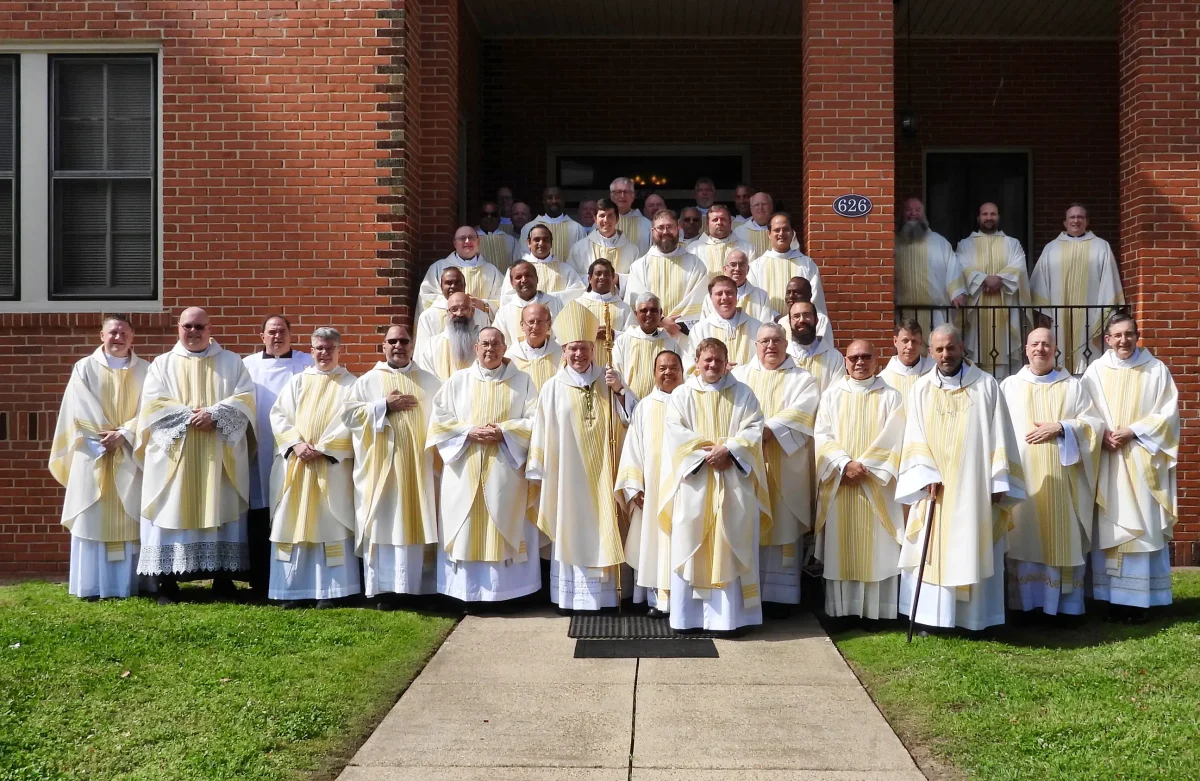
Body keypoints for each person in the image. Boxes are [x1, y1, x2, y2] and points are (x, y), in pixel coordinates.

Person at [896, 324, 1025, 632]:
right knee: (933, 547)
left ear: (962, 348)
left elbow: (1001, 435)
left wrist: (997, 482)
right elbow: (914, 436)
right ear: (930, 352)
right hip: (935, 489)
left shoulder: (986, 386)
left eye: (951, 348)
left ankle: (976, 619)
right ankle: (933, 619)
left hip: (974, 487)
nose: (946, 354)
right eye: (939, 349)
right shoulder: (921, 389)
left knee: (976, 543)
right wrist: (924, 474)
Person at [136, 308, 257, 603]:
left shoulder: (232, 362)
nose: (194, 332)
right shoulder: (162, 364)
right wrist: (188, 417)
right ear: (178, 328)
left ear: (210, 328)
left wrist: (215, 414)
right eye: (188, 326)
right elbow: (152, 403)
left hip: (219, 455)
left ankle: (222, 578)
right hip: (176, 457)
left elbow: (245, 398)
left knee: (222, 506)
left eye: (200, 326)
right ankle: (166, 580)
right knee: (172, 508)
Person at [528, 303, 636, 611]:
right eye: (573, 348)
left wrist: (621, 392)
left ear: (593, 349)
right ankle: (570, 597)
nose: (579, 354)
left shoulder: (609, 379)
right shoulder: (552, 388)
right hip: (567, 477)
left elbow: (633, 420)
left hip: (605, 472)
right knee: (570, 524)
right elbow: (542, 431)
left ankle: (609, 596)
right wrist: (539, 469)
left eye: (585, 348)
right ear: (563, 351)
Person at [428, 327, 542, 605]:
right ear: (476, 348)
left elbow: (536, 421)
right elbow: (438, 420)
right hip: (464, 469)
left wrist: (504, 431)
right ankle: (465, 593)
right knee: (465, 526)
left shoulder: (523, 381)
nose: (490, 349)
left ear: (505, 348)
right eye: (485, 344)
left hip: (505, 472)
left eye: (496, 344)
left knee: (504, 522)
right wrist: (468, 432)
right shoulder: (458, 381)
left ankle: (507, 594)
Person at [660, 338, 766, 633]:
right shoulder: (682, 394)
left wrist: (729, 450)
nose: (713, 365)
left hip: (733, 482)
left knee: (732, 541)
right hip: (695, 483)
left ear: (726, 362)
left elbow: (754, 427)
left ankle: (729, 620)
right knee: (690, 541)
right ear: (697, 361)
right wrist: (707, 454)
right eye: (707, 360)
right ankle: (688, 618)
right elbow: (675, 431)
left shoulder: (743, 393)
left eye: (718, 360)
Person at [1082, 313, 1179, 622]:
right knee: (1110, 525)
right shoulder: (1095, 372)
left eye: (1129, 334)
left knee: (1142, 526)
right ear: (1107, 339)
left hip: (1141, 461)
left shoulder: (1156, 370)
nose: (1123, 340)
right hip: (1108, 460)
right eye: (1117, 335)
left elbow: (1168, 415)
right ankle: (1110, 599)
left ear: (1137, 336)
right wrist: (1102, 434)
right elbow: (1084, 412)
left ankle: (1140, 601)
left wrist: (1134, 431)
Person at [1001, 327, 1102, 618]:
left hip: (1063, 483)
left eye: (1046, 344)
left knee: (1062, 539)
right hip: (1023, 481)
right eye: (1035, 344)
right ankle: (1024, 607)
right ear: (1026, 349)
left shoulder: (1072, 386)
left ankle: (1064, 608)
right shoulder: (1009, 386)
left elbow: (1093, 425)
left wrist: (1061, 427)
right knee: (1023, 538)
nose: (1040, 349)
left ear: (1055, 349)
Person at [50, 314, 150, 599]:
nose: (118, 337)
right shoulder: (84, 368)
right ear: (102, 336)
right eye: (112, 332)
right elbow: (77, 408)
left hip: (130, 452)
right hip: (93, 453)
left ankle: (130, 585)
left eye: (123, 333)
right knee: (93, 516)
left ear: (132, 336)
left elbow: (151, 408)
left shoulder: (147, 369)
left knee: (131, 515)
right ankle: (92, 585)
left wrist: (125, 434)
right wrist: (104, 438)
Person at [344, 325, 441, 603]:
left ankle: (418, 589)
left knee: (417, 520)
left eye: (404, 341)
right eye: (393, 341)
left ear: (412, 345)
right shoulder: (367, 381)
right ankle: (384, 590)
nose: (399, 346)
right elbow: (349, 416)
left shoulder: (431, 382)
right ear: (383, 346)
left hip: (420, 469)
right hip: (381, 470)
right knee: (384, 523)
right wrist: (383, 405)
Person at [814, 340, 906, 621]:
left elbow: (896, 437)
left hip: (876, 485)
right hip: (840, 484)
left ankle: (876, 613)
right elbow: (822, 436)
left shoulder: (892, 396)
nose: (859, 362)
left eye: (866, 357)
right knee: (841, 550)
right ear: (845, 361)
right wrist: (844, 464)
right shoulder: (832, 396)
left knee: (878, 550)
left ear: (876, 360)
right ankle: (841, 612)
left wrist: (864, 468)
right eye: (853, 358)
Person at [267, 328, 360, 607]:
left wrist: (325, 448)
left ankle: (330, 592)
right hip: (297, 466)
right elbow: (279, 415)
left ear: (340, 350)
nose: (324, 353)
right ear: (311, 350)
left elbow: (353, 422)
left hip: (330, 469)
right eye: (319, 348)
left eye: (330, 348)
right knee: (291, 523)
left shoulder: (352, 385)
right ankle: (291, 590)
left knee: (329, 525)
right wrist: (295, 444)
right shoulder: (297, 381)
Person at [732, 323, 820, 613]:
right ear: (756, 346)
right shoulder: (740, 376)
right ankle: (748, 595)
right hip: (749, 467)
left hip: (786, 466)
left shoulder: (803, 379)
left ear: (786, 343)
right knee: (749, 525)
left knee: (783, 525)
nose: (770, 346)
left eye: (776, 340)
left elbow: (802, 412)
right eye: (765, 341)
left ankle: (781, 599)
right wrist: (751, 437)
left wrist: (768, 430)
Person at [241, 314, 314, 598]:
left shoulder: (306, 363)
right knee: (260, 509)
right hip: (258, 447)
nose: (277, 336)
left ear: (291, 334)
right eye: (271, 332)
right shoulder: (248, 366)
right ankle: (259, 578)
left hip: (295, 446)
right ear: (262, 336)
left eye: (282, 331)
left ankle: (294, 576)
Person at [616, 350, 685, 617]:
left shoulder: (690, 400)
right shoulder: (645, 406)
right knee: (653, 543)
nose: (668, 372)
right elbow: (632, 448)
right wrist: (635, 488)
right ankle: (658, 601)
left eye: (673, 367)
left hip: (684, 489)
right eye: (662, 368)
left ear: (682, 371)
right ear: (654, 373)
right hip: (652, 491)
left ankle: (682, 600)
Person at [1031, 203, 1124, 373]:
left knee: (1089, 361)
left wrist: (1104, 315)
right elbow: (1039, 283)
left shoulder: (1101, 246)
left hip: (1091, 317)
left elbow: (1109, 282)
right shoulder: (1051, 248)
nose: (1076, 221)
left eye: (1080, 217)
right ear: (1065, 222)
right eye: (1072, 217)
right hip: (1059, 317)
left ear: (1087, 221)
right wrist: (1045, 314)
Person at [956, 202, 1030, 376]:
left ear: (999, 217)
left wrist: (998, 279)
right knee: (976, 350)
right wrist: (984, 279)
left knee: (1004, 352)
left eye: (993, 214)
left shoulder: (1012, 244)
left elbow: (1019, 265)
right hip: (977, 312)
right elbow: (961, 265)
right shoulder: (965, 245)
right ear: (978, 218)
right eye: (985, 214)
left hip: (1005, 308)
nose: (989, 218)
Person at [626, 210, 709, 335]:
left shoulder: (696, 264)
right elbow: (635, 303)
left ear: (678, 229)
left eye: (670, 227)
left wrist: (676, 325)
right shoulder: (638, 267)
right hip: (650, 336)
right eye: (660, 227)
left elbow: (700, 301)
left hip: (683, 335)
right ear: (652, 231)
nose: (665, 232)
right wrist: (660, 321)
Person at [894, 197, 967, 334]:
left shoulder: (939, 242)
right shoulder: (894, 243)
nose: (913, 213)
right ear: (902, 213)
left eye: (917, 210)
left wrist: (956, 293)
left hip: (935, 313)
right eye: (908, 210)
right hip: (903, 313)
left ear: (923, 214)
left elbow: (953, 266)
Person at [748, 212, 827, 317]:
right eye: (777, 230)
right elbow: (755, 300)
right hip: (766, 323)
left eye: (786, 229)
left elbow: (815, 299)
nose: (781, 234)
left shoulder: (807, 264)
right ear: (769, 234)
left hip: (800, 323)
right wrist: (775, 318)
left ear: (792, 233)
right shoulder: (756, 267)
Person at [612, 293, 685, 401]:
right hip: (628, 404)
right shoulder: (623, 341)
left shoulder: (670, 343)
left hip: (662, 404)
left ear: (660, 313)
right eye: (644, 310)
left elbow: (678, 376)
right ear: (636, 314)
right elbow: (616, 374)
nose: (649, 314)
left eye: (654, 310)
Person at [417, 225, 503, 317]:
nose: (467, 241)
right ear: (455, 244)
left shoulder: (492, 271)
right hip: (447, 322)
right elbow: (427, 298)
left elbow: (502, 300)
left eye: (471, 237)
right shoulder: (438, 268)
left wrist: (482, 304)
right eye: (462, 238)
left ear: (478, 242)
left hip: (480, 323)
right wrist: (455, 303)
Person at [687, 275, 762, 371]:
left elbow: (762, 361)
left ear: (736, 296)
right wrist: (718, 368)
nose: (725, 297)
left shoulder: (757, 327)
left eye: (729, 293)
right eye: (719, 294)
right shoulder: (699, 330)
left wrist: (741, 371)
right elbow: (692, 365)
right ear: (710, 298)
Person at [566, 198, 639, 292]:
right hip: (590, 299)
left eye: (610, 216)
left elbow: (638, 280)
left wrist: (619, 279)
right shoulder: (580, 248)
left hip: (620, 300)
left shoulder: (632, 250)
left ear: (617, 219)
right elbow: (571, 278)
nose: (606, 220)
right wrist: (592, 279)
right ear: (595, 219)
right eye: (602, 216)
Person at [503, 223, 585, 306]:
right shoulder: (515, 270)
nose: (541, 243)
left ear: (551, 243)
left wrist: (548, 298)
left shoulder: (566, 269)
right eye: (537, 239)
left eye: (545, 240)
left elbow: (578, 292)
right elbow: (507, 298)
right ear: (529, 242)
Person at [575, 259, 634, 366]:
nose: (602, 277)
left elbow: (634, 339)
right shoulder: (577, 305)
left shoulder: (624, 308)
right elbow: (569, 337)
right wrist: (589, 334)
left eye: (607, 274)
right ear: (589, 278)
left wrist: (614, 334)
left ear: (613, 278)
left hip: (615, 368)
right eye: (598, 274)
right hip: (585, 367)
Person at [492, 261, 563, 347]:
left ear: (537, 279)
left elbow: (563, 336)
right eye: (518, 277)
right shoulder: (504, 313)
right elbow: (500, 343)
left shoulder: (555, 303)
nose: (524, 280)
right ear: (511, 283)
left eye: (528, 275)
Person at [415, 292, 481, 381]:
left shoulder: (482, 343)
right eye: (454, 309)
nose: (459, 313)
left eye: (464, 309)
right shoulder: (432, 345)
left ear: (472, 311)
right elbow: (428, 378)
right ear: (448, 313)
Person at [415, 266, 492, 342]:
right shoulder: (428, 317)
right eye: (448, 283)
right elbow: (422, 348)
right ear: (441, 287)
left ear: (464, 286)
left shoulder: (481, 316)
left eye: (458, 283)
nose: (453, 286)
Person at [700, 248, 773, 323]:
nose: (737, 269)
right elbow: (705, 325)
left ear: (748, 269)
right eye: (733, 265)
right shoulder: (710, 298)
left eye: (742, 265)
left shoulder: (761, 296)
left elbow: (767, 325)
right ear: (725, 269)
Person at [504, 303, 562, 392]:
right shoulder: (510, 358)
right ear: (522, 325)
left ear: (549, 325)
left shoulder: (561, 355)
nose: (535, 327)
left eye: (540, 322)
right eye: (531, 322)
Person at [787, 301, 843, 391]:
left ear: (816, 320)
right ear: (790, 322)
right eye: (796, 316)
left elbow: (836, 392)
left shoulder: (834, 357)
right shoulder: (783, 355)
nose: (801, 320)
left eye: (807, 315)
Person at [689, 205, 758, 276]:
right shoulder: (694, 249)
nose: (719, 223)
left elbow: (752, 276)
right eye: (715, 220)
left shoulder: (748, 248)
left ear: (730, 222)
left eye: (723, 219)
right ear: (707, 223)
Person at [519, 186, 587, 257]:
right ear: (543, 201)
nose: (554, 201)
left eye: (558, 197)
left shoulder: (577, 229)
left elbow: (582, 257)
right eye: (549, 198)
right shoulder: (529, 228)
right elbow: (524, 256)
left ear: (564, 200)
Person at [879, 318, 934, 399]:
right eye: (905, 341)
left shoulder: (934, 373)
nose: (910, 347)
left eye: (914, 341)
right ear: (895, 341)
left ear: (920, 343)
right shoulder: (884, 380)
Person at [734, 191, 798, 257]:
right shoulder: (739, 232)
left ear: (771, 207)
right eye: (756, 205)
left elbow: (794, 255)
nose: (760, 208)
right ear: (751, 209)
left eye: (764, 204)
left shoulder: (785, 232)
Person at [773, 276, 834, 343]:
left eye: (796, 292)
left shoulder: (821, 320)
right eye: (788, 292)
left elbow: (824, 347)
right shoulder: (782, 322)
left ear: (809, 295)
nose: (791, 296)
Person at [609, 177, 653, 254]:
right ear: (611, 196)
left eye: (626, 192)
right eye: (618, 192)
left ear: (633, 195)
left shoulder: (646, 224)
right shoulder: (602, 223)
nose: (622, 196)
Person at [476, 202, 518, 272]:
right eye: (485, 215)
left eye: (493, 215)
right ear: (479, 217)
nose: (489, 217)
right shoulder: (471, 239)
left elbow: (516, 265)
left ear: (499, 218)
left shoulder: (511, 241)